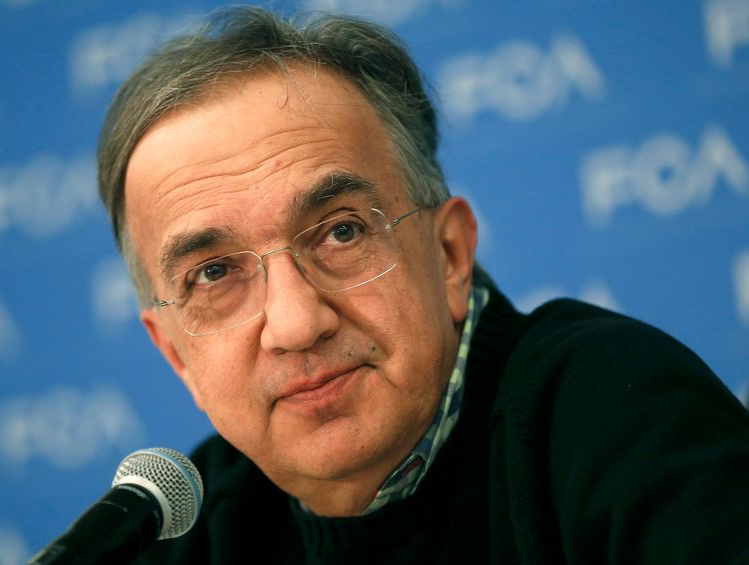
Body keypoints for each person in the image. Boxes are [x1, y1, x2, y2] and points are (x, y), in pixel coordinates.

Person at [96, 6, 749, 564]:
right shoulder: (184, 531)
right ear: (175, 351)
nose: (296, 323)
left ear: (449, 255)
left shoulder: (614, 409)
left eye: (341, 232)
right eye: (214, 273)